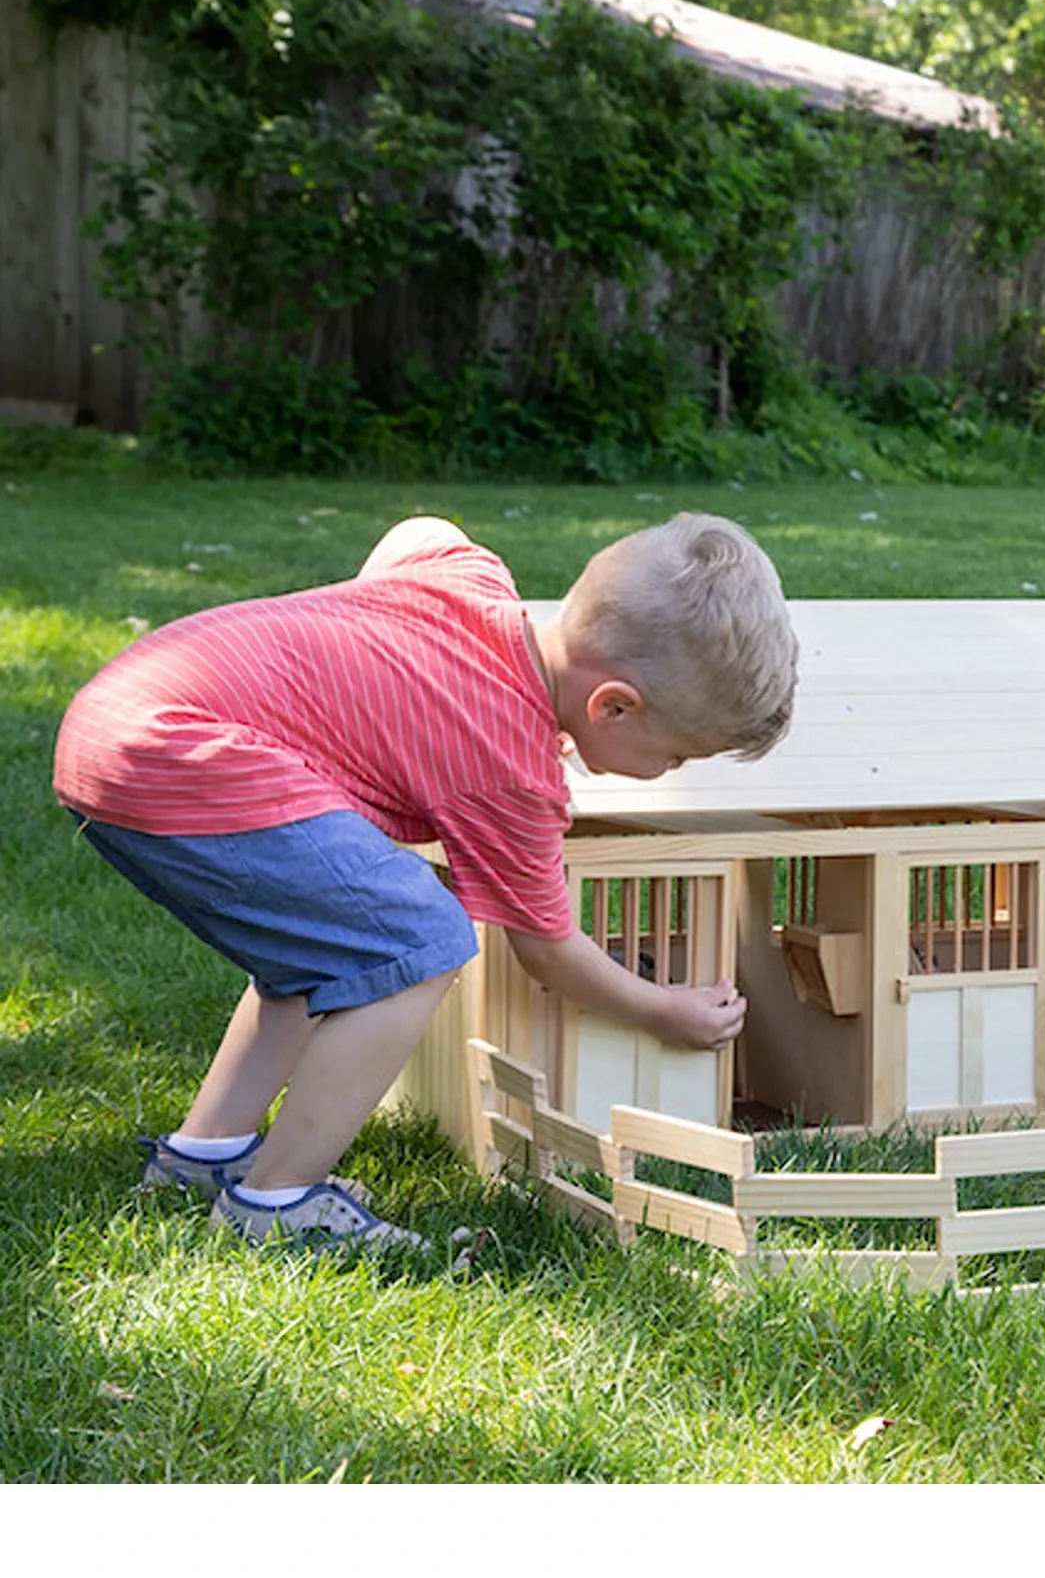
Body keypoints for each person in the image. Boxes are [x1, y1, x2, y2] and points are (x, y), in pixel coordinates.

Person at [53, 511, 798, 1250]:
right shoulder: (510, 771)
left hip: (123, 718)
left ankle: (204, 1155)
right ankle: (276, 1204)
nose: (667, 773)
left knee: (320, 948)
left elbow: (419, 529)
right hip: (182, 752)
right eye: (673, 758)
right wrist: (662, 1012)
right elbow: (546, 948)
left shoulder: (469, 580)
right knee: (421, 939)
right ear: (612, 707)